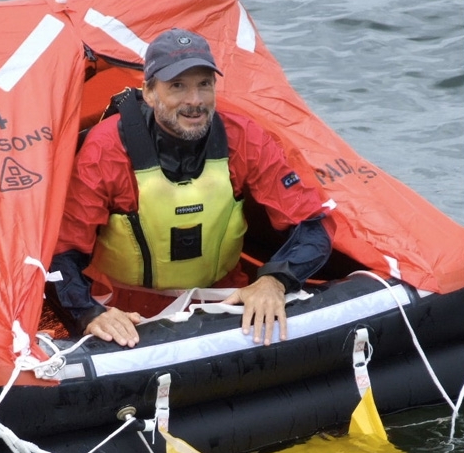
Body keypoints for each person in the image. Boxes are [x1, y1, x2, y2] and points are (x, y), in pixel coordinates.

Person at [50, 28, 335, 348]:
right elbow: (62, 252)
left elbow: (313, 223)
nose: (195, 101)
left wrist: (275, 281)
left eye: (204, 84)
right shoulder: (105, 150)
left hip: (223, 298)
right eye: (177, 86)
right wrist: (89, 313)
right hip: (125, 308)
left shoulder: (244, 137)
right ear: (149, 92)